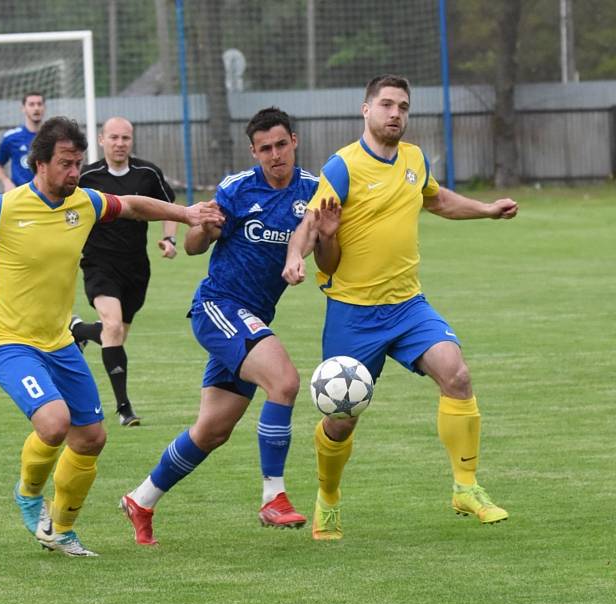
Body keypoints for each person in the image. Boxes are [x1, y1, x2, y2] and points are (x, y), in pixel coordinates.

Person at [0, 116, 224, 558]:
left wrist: (184, 213)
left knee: (92, 437)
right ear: (40, 164)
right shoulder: (4, 208)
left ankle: (62, 531)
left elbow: (132, 204)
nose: (75, 172)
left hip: (58, 342)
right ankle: (29, 494)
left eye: (78, 163)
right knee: (53, 423)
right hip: (6, 341)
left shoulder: (85, 203)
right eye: (66, 164)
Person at [283, 74, 518, 541]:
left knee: (458, 376)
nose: (396, 114)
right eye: (387, 104)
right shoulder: (343, 166)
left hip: (408, 305)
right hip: (353, 312)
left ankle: (465, 487)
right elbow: (311, 225)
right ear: (365, 110)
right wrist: (294, 259)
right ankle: (327, 500)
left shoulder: (413, 159)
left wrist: (487, 209)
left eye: (403, 107)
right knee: (340, 419)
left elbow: (439, 201)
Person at [120, 107, 338, 545]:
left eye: (281, 145)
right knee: (285, 382)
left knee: (212, 430)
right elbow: (194, 247)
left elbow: (329, 265)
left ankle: (141, 499)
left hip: (252, 319)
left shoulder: (315, 192)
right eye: (265, 149)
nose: (275, 155)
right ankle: (273, 497)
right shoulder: (237, 189)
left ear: (294, 141)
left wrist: (329, 235)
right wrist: (204, 226)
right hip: (218, 307)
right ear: (253, 152)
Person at [70, 116, 178, 427]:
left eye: (125, 138)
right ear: (102, 140)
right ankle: (123, 408)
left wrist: (169, 237)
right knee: (113, 328)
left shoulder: (147, 173)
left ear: (132, 141)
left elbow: (169, 206)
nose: (120, 144)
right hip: (99, 264)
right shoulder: (87, 176)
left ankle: (78, 331)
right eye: (114, 138)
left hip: (136, 268)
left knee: (113, 337)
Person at [0, 91, 46, 192]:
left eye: (39, 104)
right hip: (20, 194)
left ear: (44, 108)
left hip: (46, 194)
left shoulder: (52, 137)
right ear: (23, 109)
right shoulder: (11, 137)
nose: (36, 108)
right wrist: (6, 182)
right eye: (31, 104)